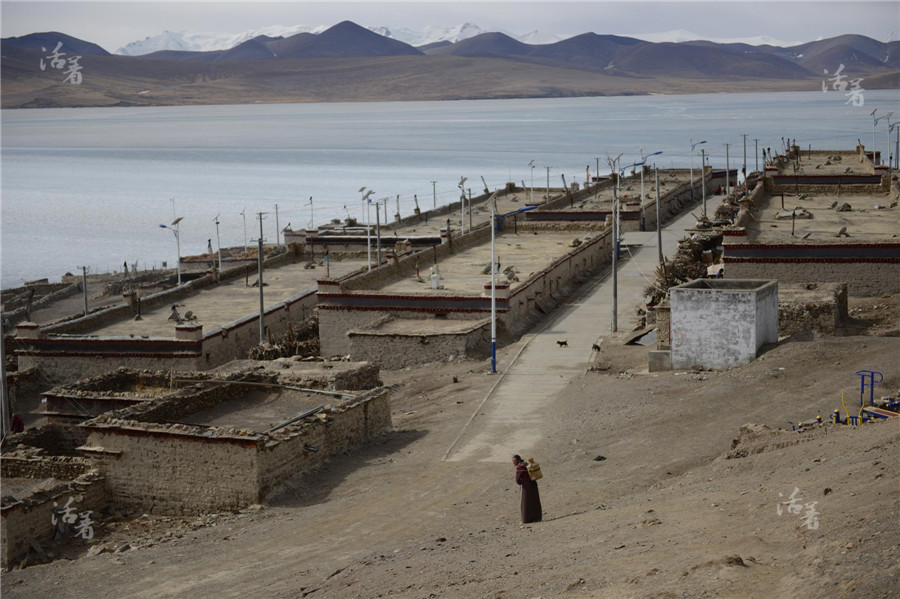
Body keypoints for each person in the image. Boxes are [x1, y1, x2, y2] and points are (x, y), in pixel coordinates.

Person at [513, 454, 542, 523]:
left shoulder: (520, 467)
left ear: (519, 460)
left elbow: (517, 479)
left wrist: (521, 482)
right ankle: (537, 518)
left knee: (526, 502)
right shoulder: (526, 464)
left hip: (527, 486)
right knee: (534, 501)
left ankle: (527, 519)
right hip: (533, 484)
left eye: (514, 461)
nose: (514, 462)